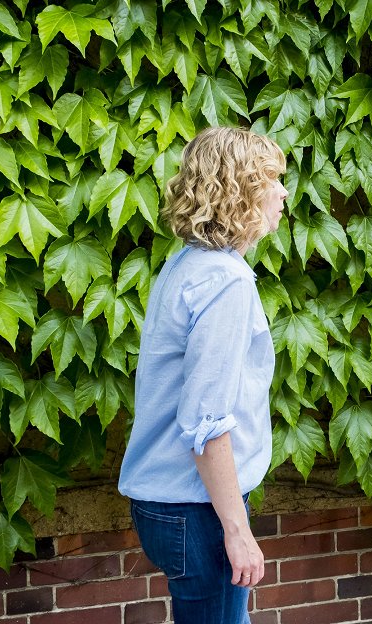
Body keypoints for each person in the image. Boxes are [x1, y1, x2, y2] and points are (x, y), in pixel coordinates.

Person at [118, 127, 288, 624]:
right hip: (197, 512)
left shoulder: (187, 264)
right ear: (238, 191)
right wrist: (237, 532)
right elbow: (207, 421)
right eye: (272, 181)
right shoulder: (225, 282)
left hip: (169, 504)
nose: (283, 193)